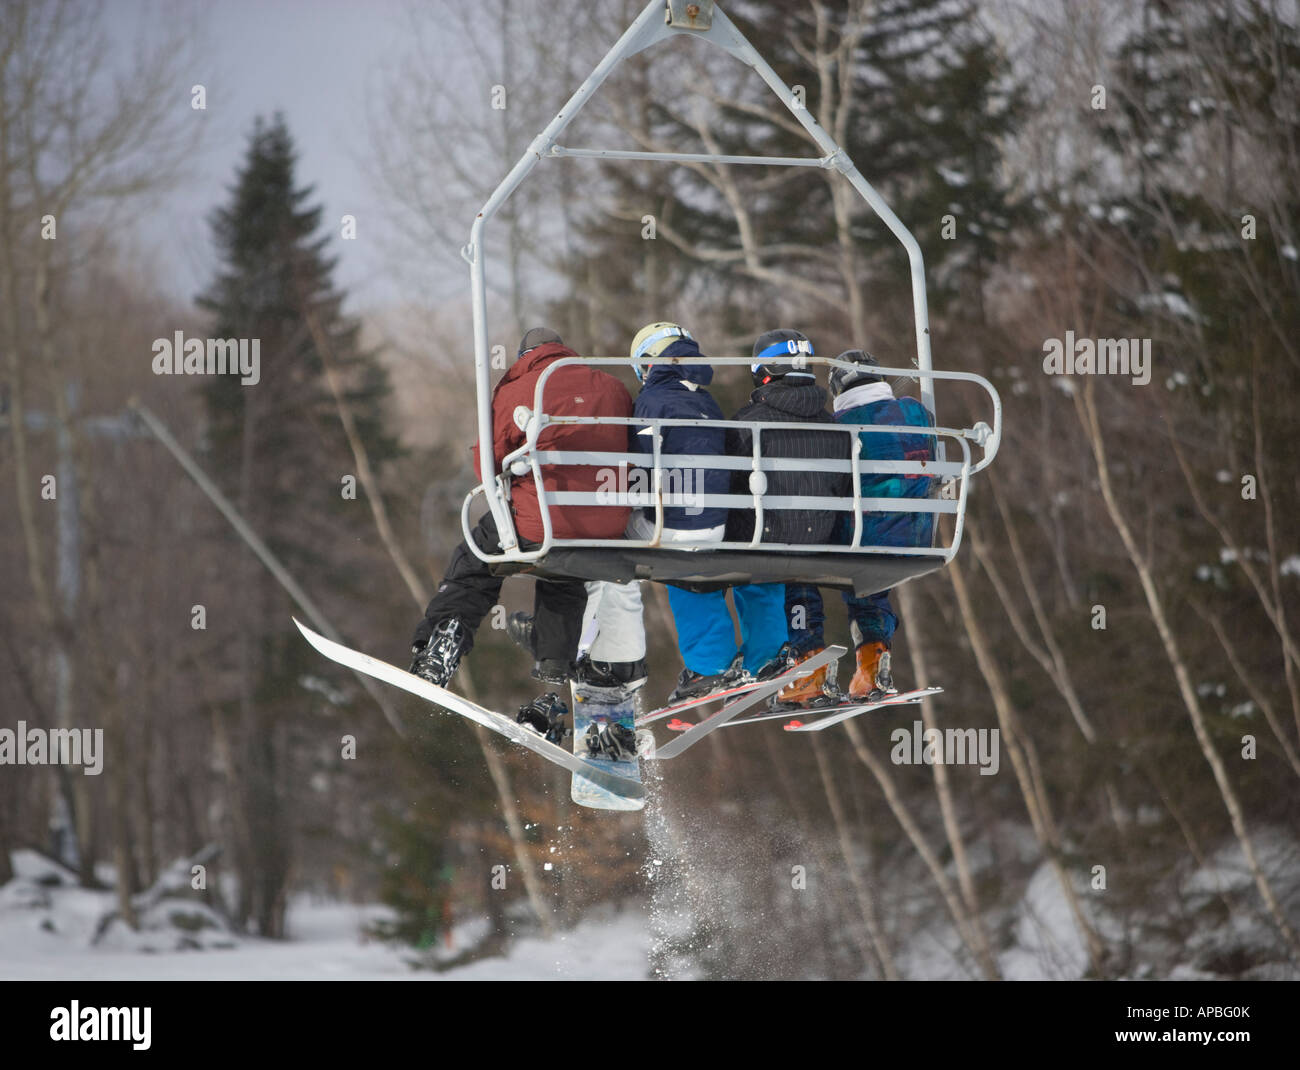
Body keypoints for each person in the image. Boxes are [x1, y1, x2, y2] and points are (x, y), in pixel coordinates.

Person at [409, 328, 635, 688]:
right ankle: (555, 659)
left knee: (477, 557)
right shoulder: (612, 387)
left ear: (523, 356)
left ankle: (445, 639)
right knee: (564, 568)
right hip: (608, 521)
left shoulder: (519, 389)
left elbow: (488, 466)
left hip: (542, 522)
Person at [700, 328, 851, 704]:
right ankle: (806, 657)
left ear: (762, 370)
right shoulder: (834, 425)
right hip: (820, 536)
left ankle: (766, 664)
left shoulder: (747, 422)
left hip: (764, 536)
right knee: (799, 574)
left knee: (757, 577)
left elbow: (730, 483)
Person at [784, 349, 935, 701]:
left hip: (861, 534)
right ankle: (872, 661)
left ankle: (808, 665)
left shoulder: (838, 426)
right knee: (869, 582)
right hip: (914, 534)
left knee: (798, 567)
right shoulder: (915, 411)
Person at [623, 321, 736, 701]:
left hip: (673, 526)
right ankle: (714, 660)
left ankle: (605, 659)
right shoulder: (707, 400)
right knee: (696, 564)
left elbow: (641, 466)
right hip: (716, 523)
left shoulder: (653, 401)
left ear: (648, 363)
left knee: (615, 544)